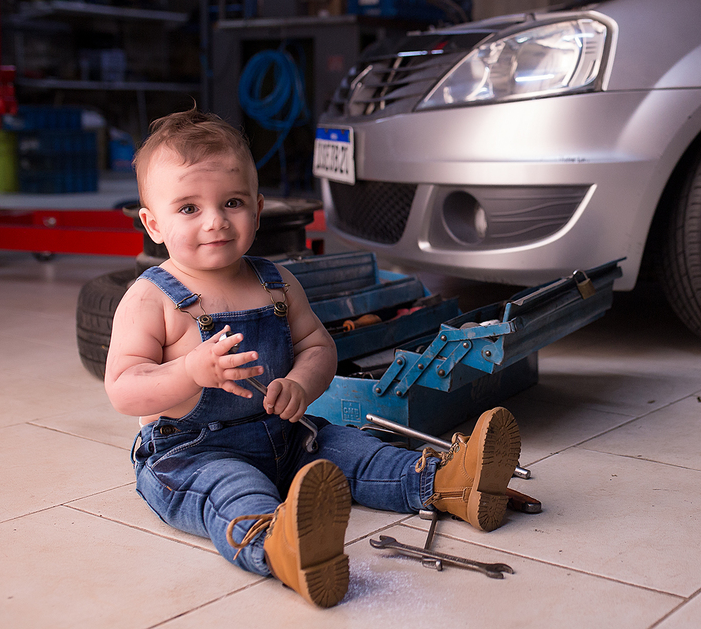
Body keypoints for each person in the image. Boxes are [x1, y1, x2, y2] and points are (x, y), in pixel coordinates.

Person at [104, 108, 522, 608]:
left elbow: (318, 347)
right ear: (153, 224)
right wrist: (190, 370)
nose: (215, 220)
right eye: (189, 208)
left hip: (287, 433)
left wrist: (302, 385)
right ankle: (278, 544)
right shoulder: (152, 299)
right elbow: (124, 388)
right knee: (231, 490)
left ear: (257, 211)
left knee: (354, 449)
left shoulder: (276, 283)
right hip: (194, 452)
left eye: (231, 202)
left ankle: (448, 482)